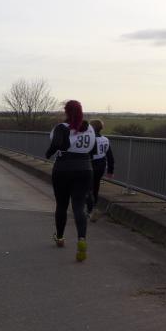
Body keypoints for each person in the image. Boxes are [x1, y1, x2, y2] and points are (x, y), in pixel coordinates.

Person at [45, 100, 94, 261]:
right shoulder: (90, 128)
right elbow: (92, 149)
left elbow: (56, 144)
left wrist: (48, 154)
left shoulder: (61, 127)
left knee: (62, 205)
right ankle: (82, 239)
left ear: (66, 111)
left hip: (63, 168)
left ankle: (60, 237)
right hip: (85, 168)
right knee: (79, 206)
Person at [87, 119, 115, 221]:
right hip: (101, 165)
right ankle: (93, 207)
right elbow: (110, 156)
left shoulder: (90, 140)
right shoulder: (105, 139)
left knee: (87, 187)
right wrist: (110, 170)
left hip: (91, 164)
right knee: (96, 186)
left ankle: (90, 209)